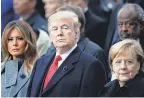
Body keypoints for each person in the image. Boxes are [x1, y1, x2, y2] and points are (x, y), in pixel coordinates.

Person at [27, 11, 107, 97]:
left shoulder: (91, 65)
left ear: (76, 34)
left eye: (65, 28)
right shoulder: (40, 62)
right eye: (55, 29)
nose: (59, 33)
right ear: (50, 35)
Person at [47, 5, 110, 80]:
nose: (59, 32)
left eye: (64, 26)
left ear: (77, 27)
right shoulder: (51, 50)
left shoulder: (94, 52)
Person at [1, 20, 38, 97]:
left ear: (28, 41)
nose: (14, 43)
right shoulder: (2, 69)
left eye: (20, 38)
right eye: (10, 39)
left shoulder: (38, 69)